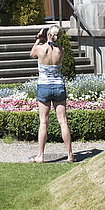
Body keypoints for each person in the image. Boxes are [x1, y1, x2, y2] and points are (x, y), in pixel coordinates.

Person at [27, 25, 73, 163]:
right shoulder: (61, 51)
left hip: (44, 86)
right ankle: (70, 155)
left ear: (48, 35)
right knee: (63, 121)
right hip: (59, 86)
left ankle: (40, 155)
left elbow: (31, 54)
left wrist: (37, 39)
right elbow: (54, 48)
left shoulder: (40, 49)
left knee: (43, 122)